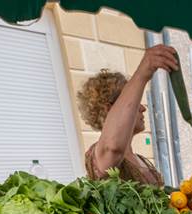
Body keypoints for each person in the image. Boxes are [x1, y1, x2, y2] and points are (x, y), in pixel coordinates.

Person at [77, 44, 179, 185]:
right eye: (134, 104)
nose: (143, 108)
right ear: (109, 110)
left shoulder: (140, 160)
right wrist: (143, 72)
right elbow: (112, 147)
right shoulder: (100, 155)